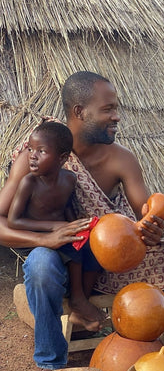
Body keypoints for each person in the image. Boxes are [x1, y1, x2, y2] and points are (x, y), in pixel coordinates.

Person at [0, 71, 164, 370]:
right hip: (57, 254)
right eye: (108, 109)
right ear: (79, 112)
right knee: (40, 265)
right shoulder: (37, 155)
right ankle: (51, 364)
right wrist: (45, 239)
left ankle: (137, 339)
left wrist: (152, 228)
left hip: (107, 255)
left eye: (116, 109)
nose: (117, 117)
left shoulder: (122, 159)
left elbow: (144, 214)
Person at [7, 120, 104, 331]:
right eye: (31, 149)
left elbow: (67, 207)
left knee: (94, 251)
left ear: (62, 158)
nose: (32, 155)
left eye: (41, 151)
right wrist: (54, 227)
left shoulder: (69, 179)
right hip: (33, 236)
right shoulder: (28, 183)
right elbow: (14, 221)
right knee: (72, 252)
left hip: (59, 230)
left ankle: (80, 303)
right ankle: (78, 300)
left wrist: (77, 227)